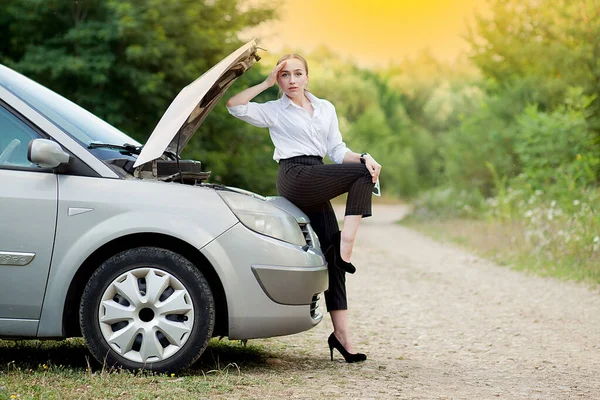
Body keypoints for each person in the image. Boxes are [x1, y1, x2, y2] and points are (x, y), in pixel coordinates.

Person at [226, 53, 382, 363]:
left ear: (307, 77)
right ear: (279, 80)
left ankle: (342, 337)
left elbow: (337, 151)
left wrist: (363, 156)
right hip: (295, 176)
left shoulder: (325, 108)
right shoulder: (274, 110)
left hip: (318, 173)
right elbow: (235, 106)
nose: (292, 80)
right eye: (285, 75)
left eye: (298, 74)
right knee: (362, 177)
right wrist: (265, 82)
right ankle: (347, 244)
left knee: (333, 261)